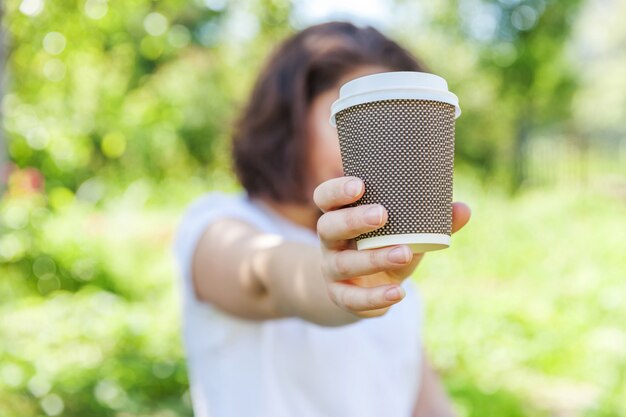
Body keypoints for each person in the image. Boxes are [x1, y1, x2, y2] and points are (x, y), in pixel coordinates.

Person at [174, 21, 471, 417]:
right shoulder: (217, 227)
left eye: (401, 126)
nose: (385, 149)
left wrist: (367, 273)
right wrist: (337, 278)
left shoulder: (385, 262)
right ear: (289, 117)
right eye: (362, 123)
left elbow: (421, 401)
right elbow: (269, 276)